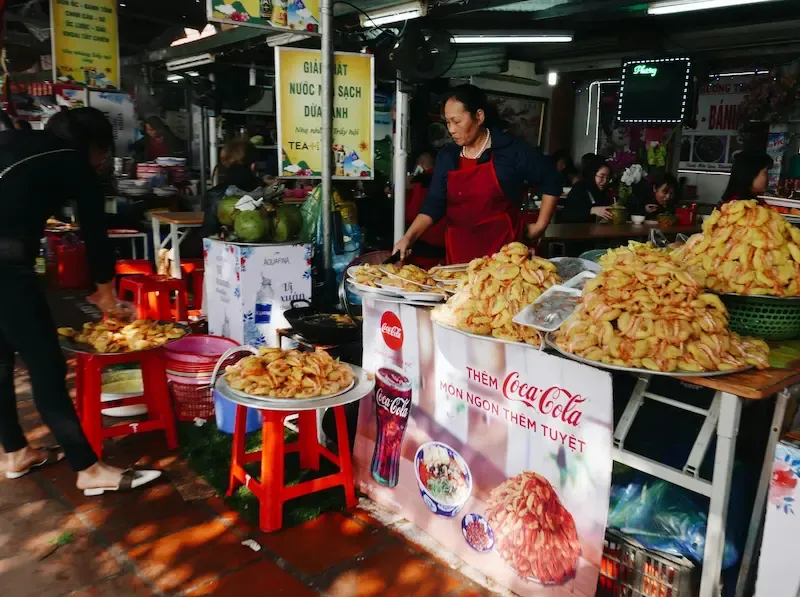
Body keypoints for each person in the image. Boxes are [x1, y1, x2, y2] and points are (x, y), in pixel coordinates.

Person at [0, 108, 160, 494]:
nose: (103, 162)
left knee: (2, 360)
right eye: (104, 153)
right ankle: (87, 468)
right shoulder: (74, 162)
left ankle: (14, 453)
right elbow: (95, 231)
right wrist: (106, 292)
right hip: (4, 267)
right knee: (46, 364)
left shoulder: (16, 143)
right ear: (93, 146)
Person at [393, 85, 562, 264]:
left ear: (479, 116)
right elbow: (434, 203)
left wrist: (540, 226)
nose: (451, 129)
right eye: (448, 122)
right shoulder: (448, 156)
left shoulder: (510, 150)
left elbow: (551, 178)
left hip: (504, 255)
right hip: (460, 253)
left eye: (457, 122)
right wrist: (408, 237)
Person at [202, 138, 263, 237]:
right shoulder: (266, 191)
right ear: (253, 165)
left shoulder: (214, 194)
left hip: (222, 249)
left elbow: (209, 233)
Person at [404, 152, 446, 269]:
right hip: (445, 242)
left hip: (425, 239)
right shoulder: (446, 178)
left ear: (421, 165)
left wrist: (407, 191)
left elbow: (410, 214)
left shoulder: (420, 181)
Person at [560, 155, 613, 223]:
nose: (605, 181)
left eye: (608, 178)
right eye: (601, 176)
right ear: (593, 174)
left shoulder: (604, 192)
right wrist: (592, 210)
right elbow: (568, 214)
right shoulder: (580, 188)